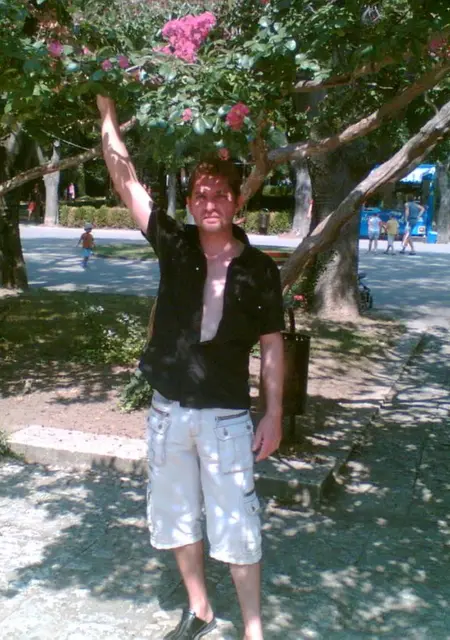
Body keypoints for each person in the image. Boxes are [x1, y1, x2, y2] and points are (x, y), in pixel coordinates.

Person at [97, 95, 285, 640]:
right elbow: (126, 183)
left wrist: (273, 414)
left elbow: (272, 345)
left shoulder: (258, 270)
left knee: (238, 525)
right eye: (201, 193)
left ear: (237, 202)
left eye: (220, 194)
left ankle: (253, 628)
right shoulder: (175, 246)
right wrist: (107, 111)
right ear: (191, 201)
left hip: (226, 419)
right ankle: (199, 609)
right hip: (168, 413)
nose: (210, 202)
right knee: (176, 516)